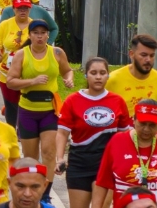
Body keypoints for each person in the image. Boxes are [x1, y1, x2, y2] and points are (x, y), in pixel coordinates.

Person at [5, 19, 73, 201]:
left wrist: (69, 79)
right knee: (31, 156)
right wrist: (31, 82)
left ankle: (46, 195)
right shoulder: (21, 55)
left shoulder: (57, 53)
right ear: (30, 35)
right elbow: (10, 81)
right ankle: (32, 191)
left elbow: (68, 70)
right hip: (28, 109)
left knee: (49, 153)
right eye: (36, 33)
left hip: (49, 110)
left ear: (48, 35)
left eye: (43, 33)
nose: (40, 36)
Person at [55, 57, 133, 208]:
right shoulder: (72, 100)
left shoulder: (117, 101)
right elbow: (62, 133)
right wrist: (59, 158)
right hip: (79, 163)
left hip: (106, 164)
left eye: (102, 73)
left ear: (108, 75)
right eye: (94, 73)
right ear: (86, 75)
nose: (98, 77)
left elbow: (126, 134)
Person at [92, 100, 157, 208]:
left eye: (152, 125)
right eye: (143, 123)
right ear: (134, 120)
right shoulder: (117, 142)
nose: (146, 129)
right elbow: (102, 183)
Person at [105, 33, 157, 123]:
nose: (148, 60)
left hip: (147, 135)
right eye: (143, 55)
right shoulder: (112, 79)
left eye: (152, 55)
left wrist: (149, 121)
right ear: (131, 54)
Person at [0, 0, 34, 128]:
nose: (23, 11)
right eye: (19, 8)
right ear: (13, 9)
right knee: (11, 103)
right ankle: (11, 129)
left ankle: (24, 129)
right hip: (6, 71)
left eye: (26, 8)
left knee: (25, 102)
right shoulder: (5, 25)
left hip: (27, 72)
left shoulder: (34, 25)